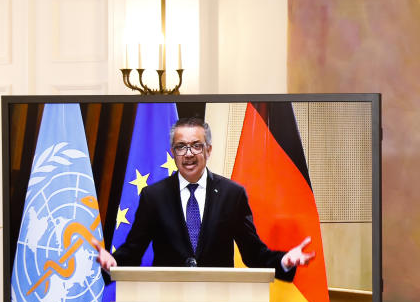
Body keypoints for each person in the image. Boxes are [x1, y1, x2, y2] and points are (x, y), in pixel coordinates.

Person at [96, 117, 315, 278]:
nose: (188, 153)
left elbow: (254, 253)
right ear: (173, 153)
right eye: (181, 147)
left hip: (218, 300)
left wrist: (284, 261)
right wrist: (114, 262)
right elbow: (134, 249)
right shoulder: (154, 196)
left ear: (208, 151)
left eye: (196, 146)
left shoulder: (232, 194)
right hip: (167, 300)